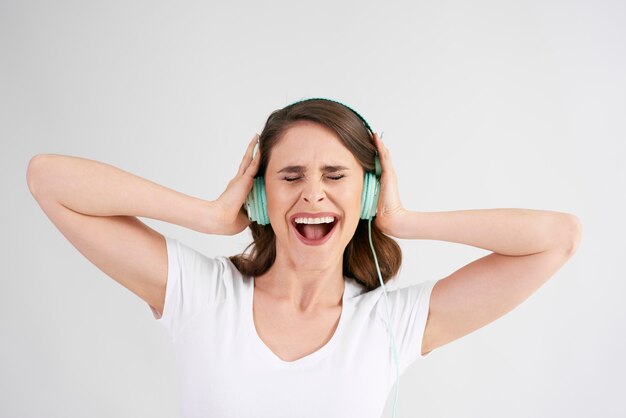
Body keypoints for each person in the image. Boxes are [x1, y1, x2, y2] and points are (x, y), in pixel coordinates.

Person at [26, 98, 582, 418]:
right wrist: (211, 215)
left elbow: (557, 237)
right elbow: (48, 177)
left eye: (336, 177)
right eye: (290, 177)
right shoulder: (201, 295)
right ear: (263, 197)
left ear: (364, 195)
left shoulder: (392, 323)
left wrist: (401, 220)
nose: (313, 194)